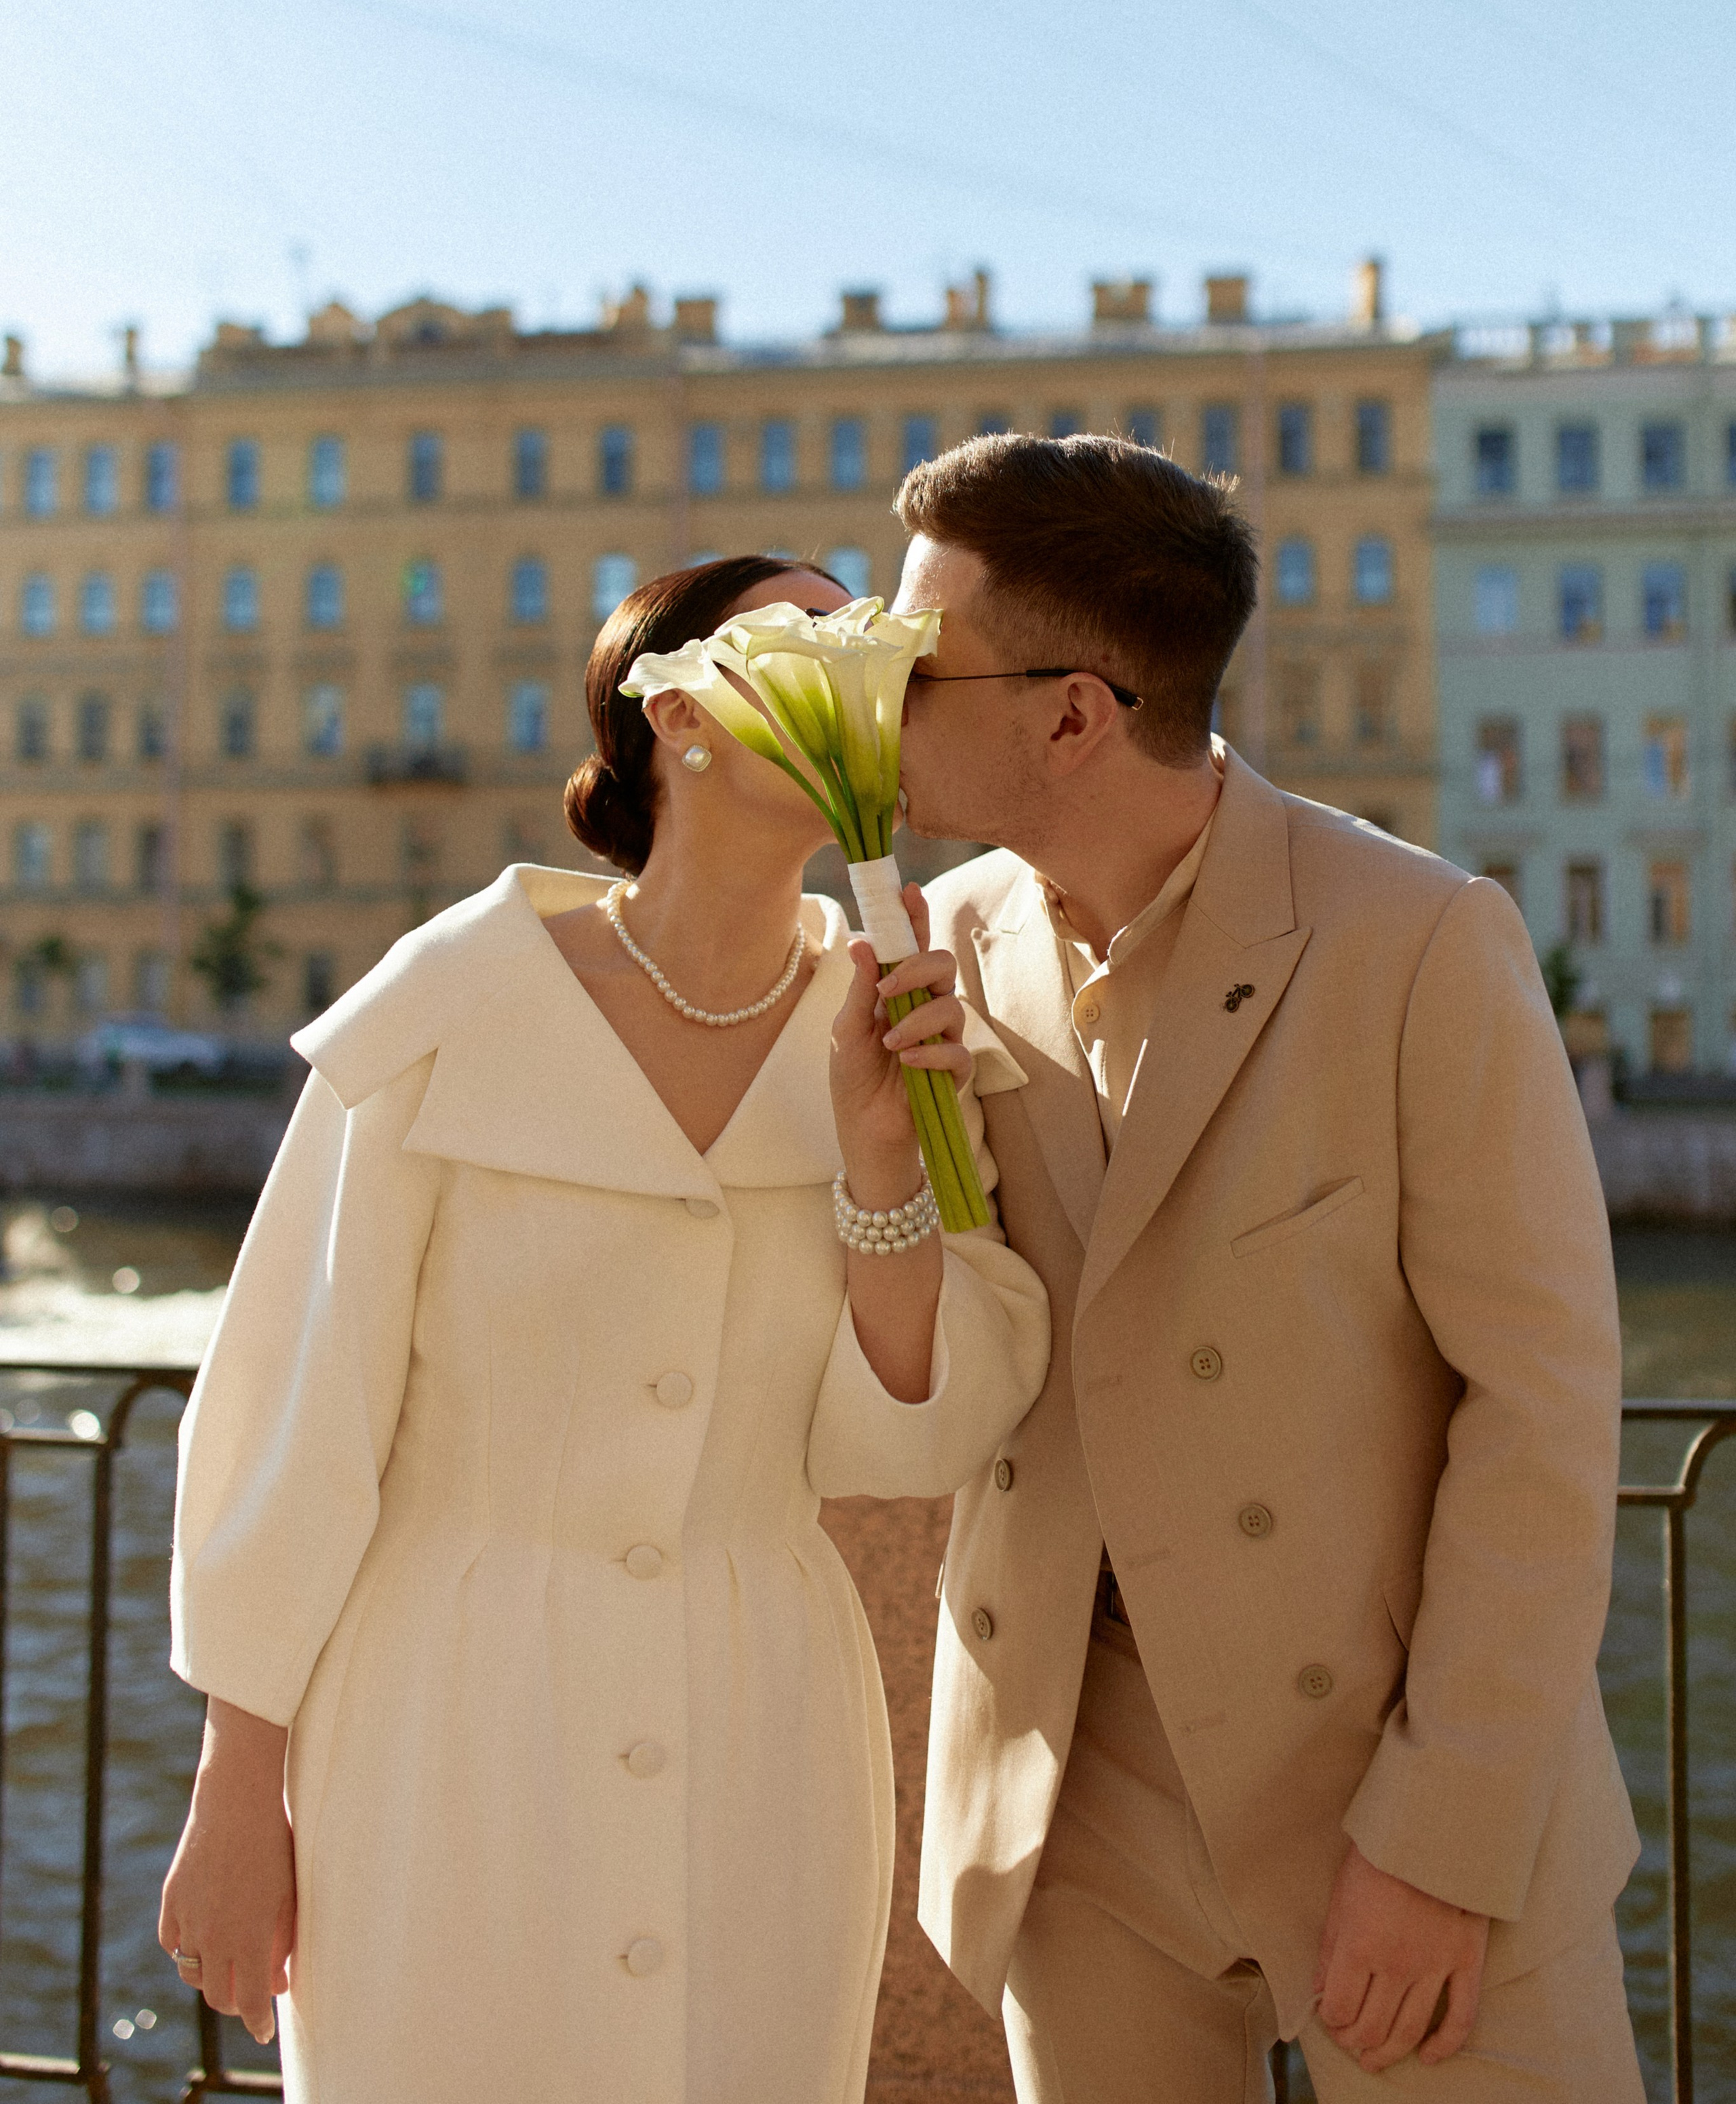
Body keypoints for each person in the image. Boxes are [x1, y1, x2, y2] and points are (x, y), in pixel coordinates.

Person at [159, 551, 1050, 2104]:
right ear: (677, 714)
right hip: (440, 1723)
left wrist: (878, 1162)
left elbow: (910, 1438)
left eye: (871, 649)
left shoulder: (899, 1023)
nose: (856, 664)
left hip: (759, 1727)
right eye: (805, 634)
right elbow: (297, 1405)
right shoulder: (455, 999)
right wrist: (241, 1784)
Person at [889, 435, 1643, 2103]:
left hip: (1386, 1785)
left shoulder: (1417, 939)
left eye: (914, 660)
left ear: (1073, 713)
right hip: (1063, 1808)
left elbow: (1539, 1408)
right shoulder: (936, 950)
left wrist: (1443, 1843)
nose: (877, 691)